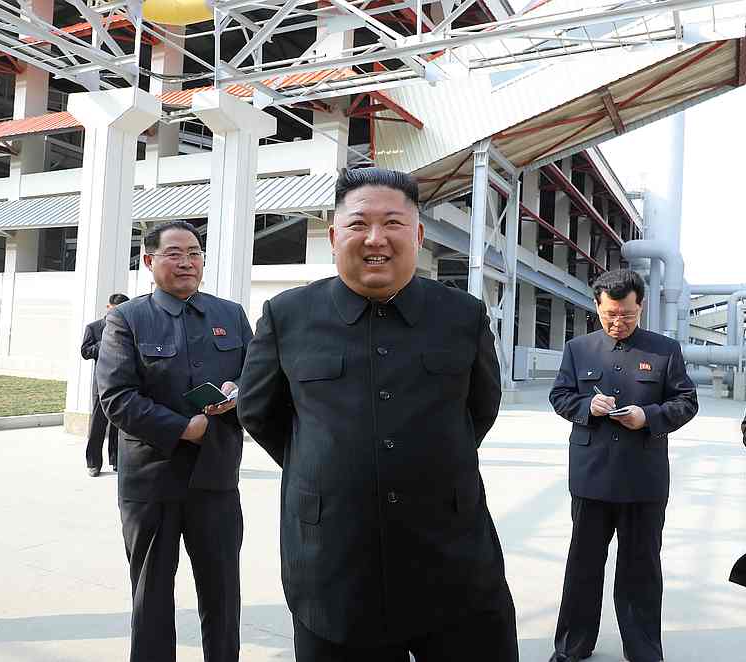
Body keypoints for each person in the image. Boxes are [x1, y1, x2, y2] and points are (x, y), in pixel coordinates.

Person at [237, 167, 518, 662]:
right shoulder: (288, 315)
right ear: (332, 235)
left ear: (418, 234)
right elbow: (260, 412)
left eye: (393, 223)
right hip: (333, 565)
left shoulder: (462, 316)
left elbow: (479, 408)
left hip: (452, 557)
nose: (375, 239)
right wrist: (327, 465)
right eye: (358, 224)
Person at [97, 220, 252, 662]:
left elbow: (256, 378)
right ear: (149, 261)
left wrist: (237, 395)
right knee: (152, 596)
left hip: (216, 478)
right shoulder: (127, 319)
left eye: (195, 252)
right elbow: (116, 396)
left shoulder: (230, 315)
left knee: (222, 593)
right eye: (174, 253)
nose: (187, 262)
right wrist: (183, 427)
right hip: (152, 482)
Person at [547, 268, 698, 662]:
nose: (618, 322)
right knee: (583, 566)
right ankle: (571, 647)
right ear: (597, 306)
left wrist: (647, 417)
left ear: (641, 307)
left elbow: (686, 402)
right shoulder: (579, 349)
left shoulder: (665, 350)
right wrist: (586, 406)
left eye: (628, 315)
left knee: (641, 570)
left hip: (642, 479)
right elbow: (560, 394)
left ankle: (644, 650)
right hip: (591, 475)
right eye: (610, 314)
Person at [81, 292, 129, 476]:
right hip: (101, 383)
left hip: (123, 382)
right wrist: (105, 343)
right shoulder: (94, 327)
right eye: (115, 309)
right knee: (97, 424)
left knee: (119, 424)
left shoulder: (128, 326)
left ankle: (116, 460)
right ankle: (93, 463)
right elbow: (85, 352)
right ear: (108, 308)